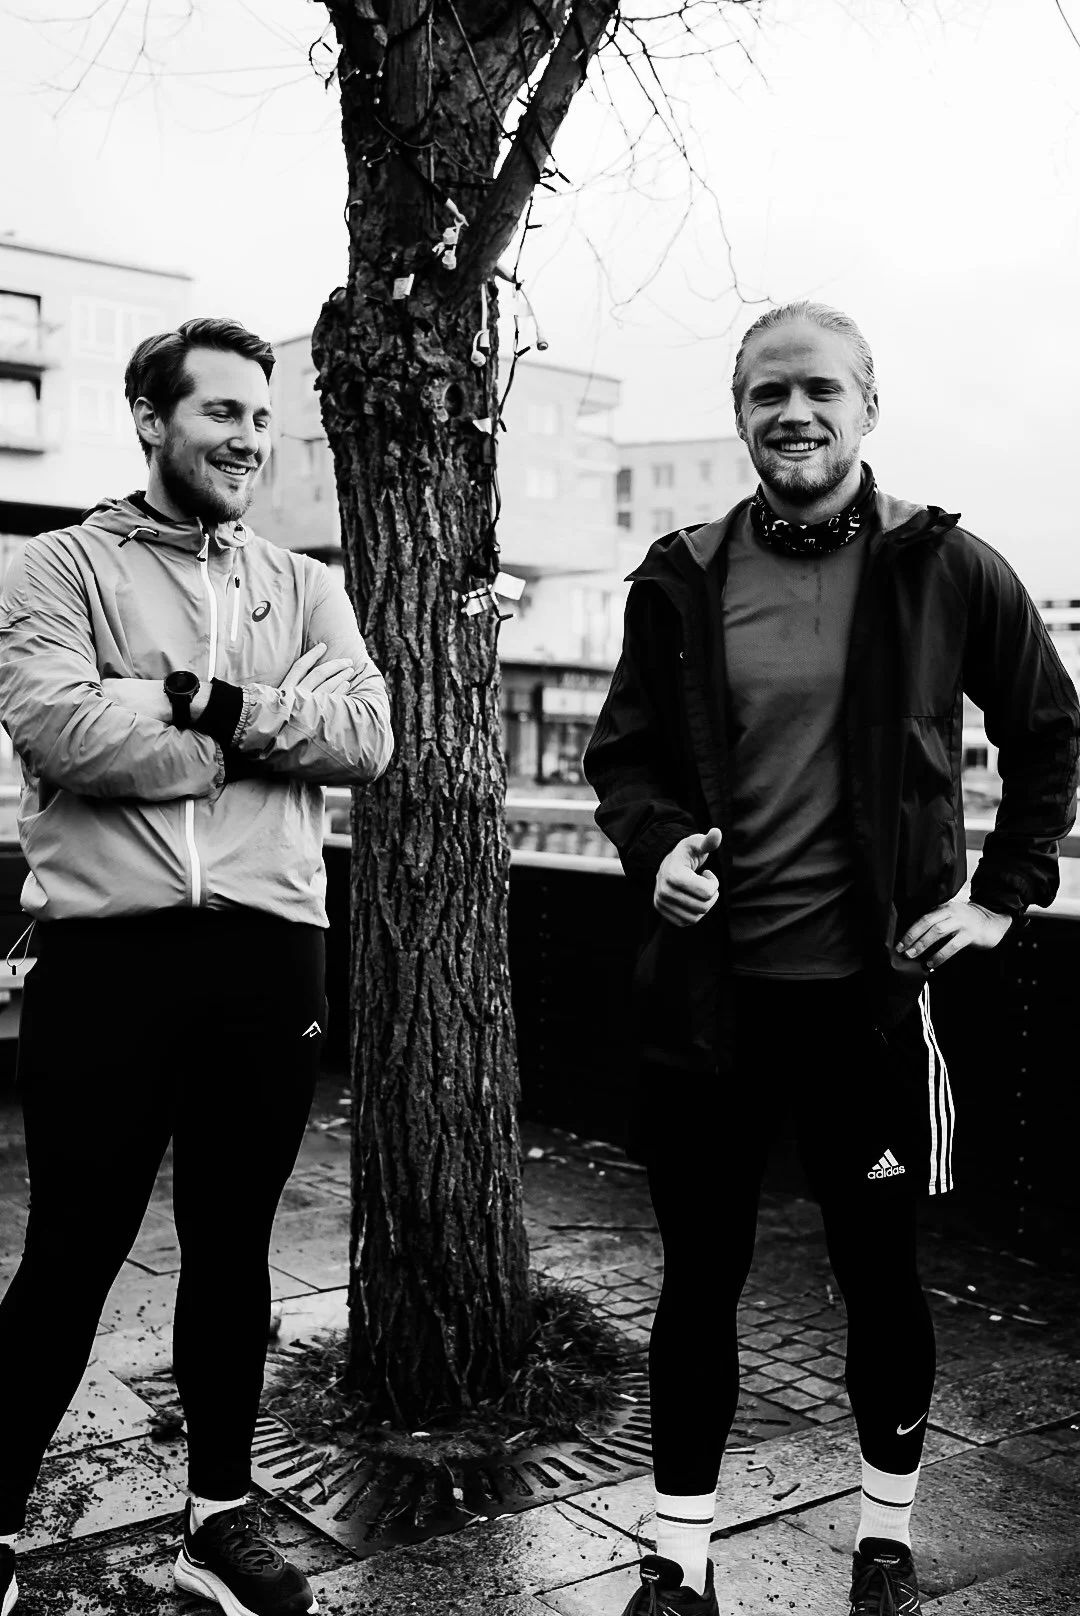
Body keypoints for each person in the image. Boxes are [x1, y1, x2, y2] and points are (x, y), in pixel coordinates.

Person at [583, 302, 1080, 1616]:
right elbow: (621, 760)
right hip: (710, 1005)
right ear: (740, 414)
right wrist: (657, 852)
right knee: (697, 1283)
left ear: (867, 405)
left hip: (870, 1006)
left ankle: (884, 1540)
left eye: (817, 390)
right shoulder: (679, 573)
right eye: (765, 393)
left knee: (878, 1278)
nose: (791, 413)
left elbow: (1049, 737)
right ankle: (678, 1559)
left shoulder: (945, 566)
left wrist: (1000, 898)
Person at [0, 317, 393, 1616]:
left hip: (268, 963)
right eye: (220, 411)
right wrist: (227, 741)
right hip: (106, 964)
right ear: (150, 415)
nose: (247, 437)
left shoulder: (307, 582)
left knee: (234, 1255)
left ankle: (217, 1521)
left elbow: (364, 735)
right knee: (70, 1256)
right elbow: (65, 729)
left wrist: (201, 702)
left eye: (262, 419)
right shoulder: (55, 565)